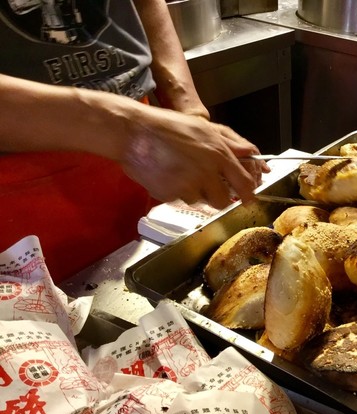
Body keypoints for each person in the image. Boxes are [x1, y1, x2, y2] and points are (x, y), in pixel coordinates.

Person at [0, 0, 269, 281]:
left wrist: (190, 113)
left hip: (139, 152)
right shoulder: (131, 130)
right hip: (22, 185)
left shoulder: (139, 136)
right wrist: (128, 128)